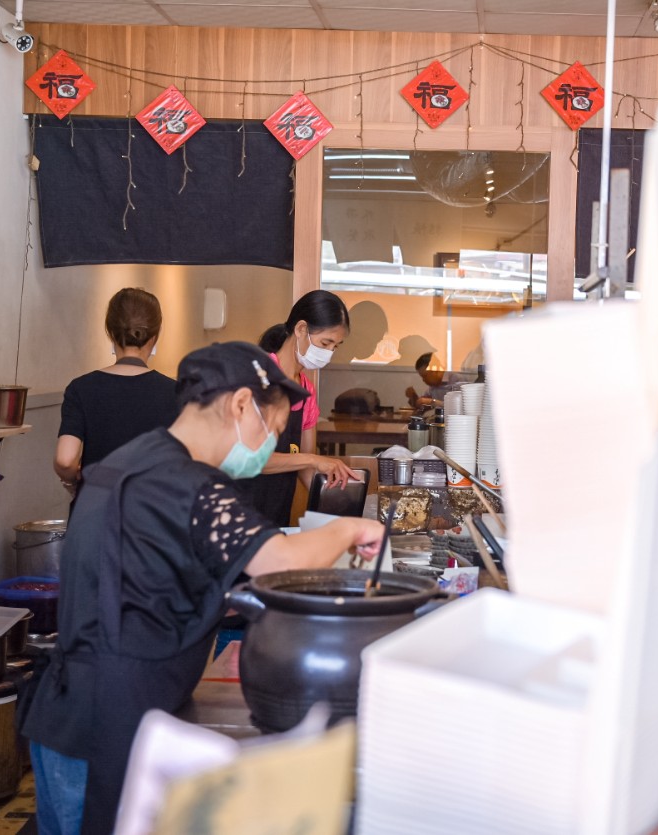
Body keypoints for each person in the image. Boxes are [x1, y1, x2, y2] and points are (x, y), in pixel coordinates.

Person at [20, 342, 387, 835]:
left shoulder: (134, 459)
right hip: (102, 723)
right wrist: (349, 531)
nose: (269, 445)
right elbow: (278, 561)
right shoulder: (186, 483)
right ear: (239, 405)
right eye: (273, 428)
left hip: (72, 711)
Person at [252, 290, 362, 526]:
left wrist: (340, 502)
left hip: (277, 515)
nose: (329, 353)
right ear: (301, 329)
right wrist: (313, 460)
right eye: (325, 343)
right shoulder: (257, 379)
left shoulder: (306, 391)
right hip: (238, 513)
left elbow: (305, 470)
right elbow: (254, 460)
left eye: (336, 346)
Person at [54, 288, 177, 498]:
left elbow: (65, 459)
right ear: (155, 337)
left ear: (110, 332)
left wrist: (74, 482)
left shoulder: (81, 388)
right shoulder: (177, 392)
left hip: (95, 513)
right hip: (155, 516)